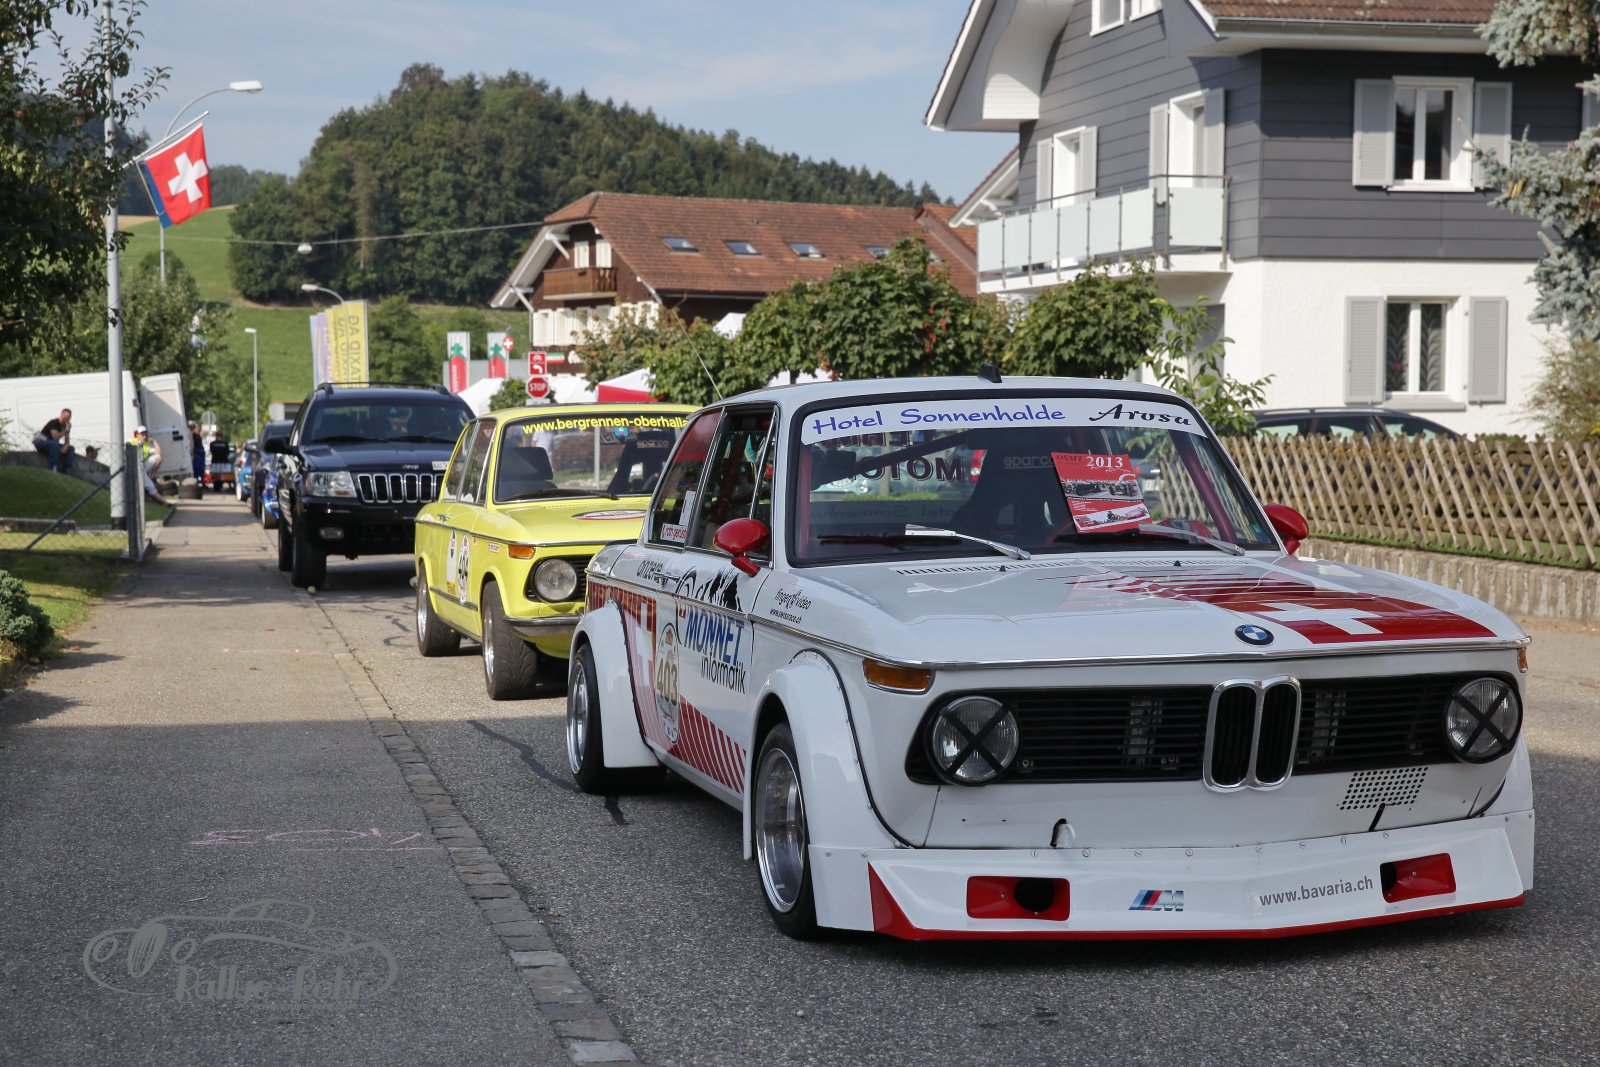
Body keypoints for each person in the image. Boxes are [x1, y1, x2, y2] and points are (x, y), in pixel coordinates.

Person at [133, 426, 171, 505]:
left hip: (141, 466)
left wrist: (154, 441)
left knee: (158, 457)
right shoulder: (134, 442)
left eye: (145, 434)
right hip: (135, 468)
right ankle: (165, 503)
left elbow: (159, 452)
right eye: (142, 434)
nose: (144, 436)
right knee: (150, 486)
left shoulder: (146, 445)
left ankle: (151, 477)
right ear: (138, 435)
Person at [31, 407, 74, 473]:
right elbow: (55, 437)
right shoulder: (54, 423)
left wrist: (66, 445)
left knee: (71, 448)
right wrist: (65, 431)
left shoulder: (65, 426)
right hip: (41, 442)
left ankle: (65, 470)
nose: (68, 419)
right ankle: (53, 467)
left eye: (69, 417)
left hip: (52, 444)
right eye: (67, 416)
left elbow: (67, 441)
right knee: (54, 444)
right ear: (62, 415)